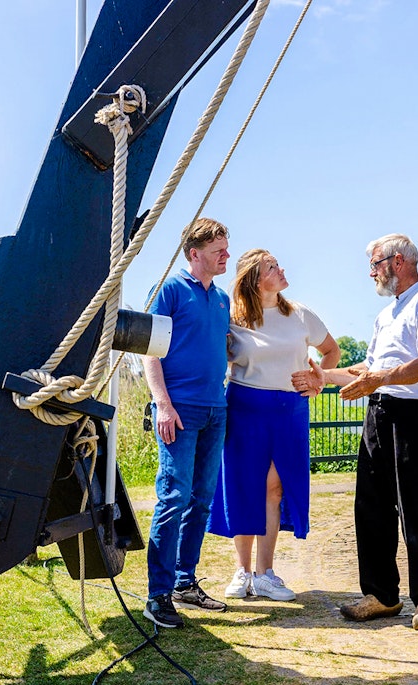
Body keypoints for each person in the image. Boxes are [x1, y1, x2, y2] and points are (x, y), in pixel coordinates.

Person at [293, 233, 418, 632]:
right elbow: (366, 369)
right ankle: (381, 595)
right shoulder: (386, 314)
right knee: (371, 506)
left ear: (398, 261)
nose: (371, 274)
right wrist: (324, 377)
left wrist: (378, 379)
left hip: (411, 413)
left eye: (375, 265)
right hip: (379, 411)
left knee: (415, 507)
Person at [210, 249, 341, 601]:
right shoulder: (232, 318)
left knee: (274, 488)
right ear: (254, 280)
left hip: (289, 410)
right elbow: (211, 356)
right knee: (244, 486)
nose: (282, 270)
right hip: (244, 407)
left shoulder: (300, 314)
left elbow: (332, 351)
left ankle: (266, 574)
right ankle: (242, 571)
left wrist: (319, 379)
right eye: (272, 267)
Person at [141, 217, 232, 629]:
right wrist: (162, 404)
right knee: (173, 497)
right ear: (195, 254)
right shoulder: (170, 289)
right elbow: (150, 352)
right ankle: (157, 596)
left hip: (216, 409)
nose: (226, 256)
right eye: (219, 251)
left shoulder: (222, 300)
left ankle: (184, 582)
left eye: (226, 249)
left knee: (202, 499)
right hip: (179, 411)